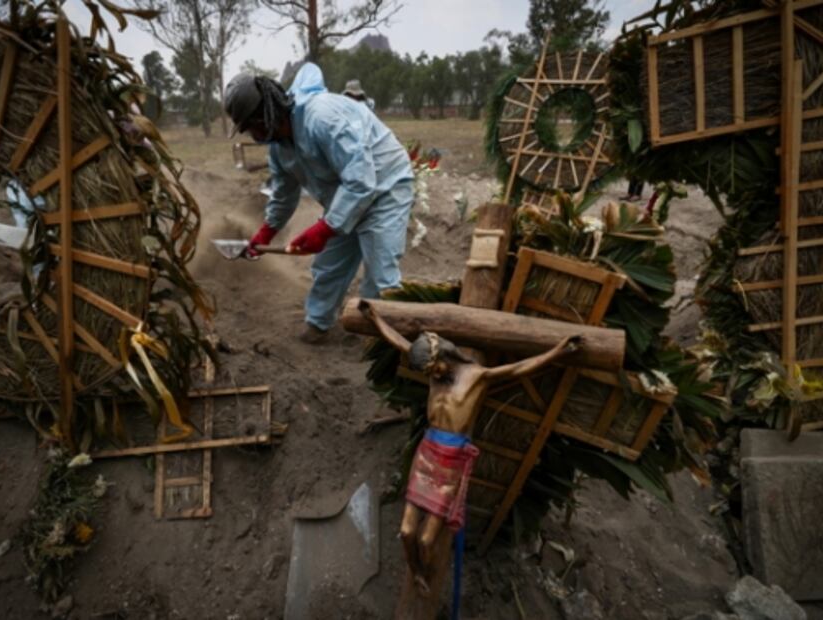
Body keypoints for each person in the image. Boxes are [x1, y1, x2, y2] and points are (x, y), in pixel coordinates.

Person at [359, 299, 581, 592]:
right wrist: (375, 318)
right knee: (406, 531)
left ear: (444, 355)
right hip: (427, 453)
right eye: (428, 371)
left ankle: (425, 573)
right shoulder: (431, 366)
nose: (433, 374)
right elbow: (400, 343)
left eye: (435, 368)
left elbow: (518, 369)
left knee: (425, 538)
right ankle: (416, 571)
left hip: (451, 460)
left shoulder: (475, 375)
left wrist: (558, 351)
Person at [223, 63, 413, 344]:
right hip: (346, 197)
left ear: (264, 116)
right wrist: (266, 231)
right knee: (329, 266)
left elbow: (362, 180)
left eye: (250, 128)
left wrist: (325, 228)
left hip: (385, 187)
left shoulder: (322, 119)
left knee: (380, 273)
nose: (252, 136)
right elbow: (284, 194)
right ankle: (318, 323)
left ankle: (383, 341)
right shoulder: (279, 148)